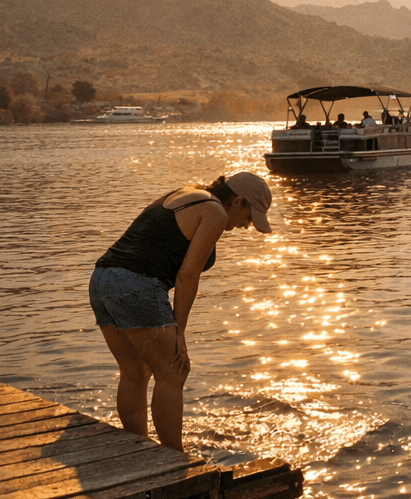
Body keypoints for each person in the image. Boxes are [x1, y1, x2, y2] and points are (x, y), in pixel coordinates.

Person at [89, 170, 273, 452]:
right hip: (135, 284)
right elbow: (187, 275)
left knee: (135, 372)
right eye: (249, 218)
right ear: (238, 202)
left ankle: (137, 449)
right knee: (174, 372)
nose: (246, 226)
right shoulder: (215, 213)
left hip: (102, 279)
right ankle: (174, 458)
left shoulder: (189, 193)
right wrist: (180, 333)